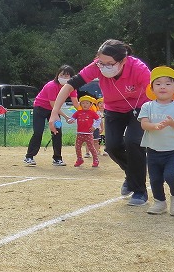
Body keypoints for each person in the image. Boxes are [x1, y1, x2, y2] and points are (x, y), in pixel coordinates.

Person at [49, 40, 152, 205]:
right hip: (114, 109)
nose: (104, 67)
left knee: (133, 141)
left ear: (123, 61)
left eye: (109, 64)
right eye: (101, 62)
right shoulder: (96, 67)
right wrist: (54, 113)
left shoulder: (139, 69)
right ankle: (131, 175)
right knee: (112, 147)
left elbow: (155, 91)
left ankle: (140, 191)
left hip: (139, 108)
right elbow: (69, 86)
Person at [138, 67, 174, 216]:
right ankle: (159, 202)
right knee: (155, 179)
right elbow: (144, 124)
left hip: (172, 151)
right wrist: (154, 126)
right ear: (152, 89)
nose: (163, 87)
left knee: (171, 176)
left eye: (168, 84)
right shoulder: (147, 106)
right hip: (152, 151)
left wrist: (171, 123)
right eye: (158, 83)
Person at [24, 65, 79, 167]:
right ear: (57, 75)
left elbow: (76, 103)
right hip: (40, 109)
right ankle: (29, 157)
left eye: (66, 76)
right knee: (38, 132)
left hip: (54, 111)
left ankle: (57, 158)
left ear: (71, 77)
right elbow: (53, 105)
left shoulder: (71, 88)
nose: (63, 77)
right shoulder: (52, 86)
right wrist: (66, 117)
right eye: (61, 75)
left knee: (57, 132)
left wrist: (85, 113)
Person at [70, 95, 100, 167]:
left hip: (88, 134)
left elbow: (98, 119)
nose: (85, 105)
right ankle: (79, 159)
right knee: (77, 147)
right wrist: (70, 120)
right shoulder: (78, 112)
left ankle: (95, 159)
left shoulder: (92, 113)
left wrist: (94, 126)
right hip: (79, 133)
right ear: (80, 104)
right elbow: (72, 118)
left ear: (90, 105)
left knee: (91, 147)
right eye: (83, 103)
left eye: (87, 103)